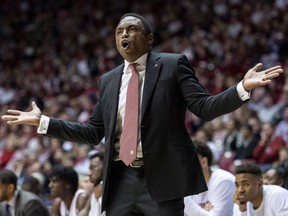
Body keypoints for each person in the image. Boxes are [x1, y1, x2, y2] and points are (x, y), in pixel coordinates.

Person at [1, 13, 283, 216]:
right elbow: (92, 132)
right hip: (120, 180)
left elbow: (204, 108)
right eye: (119, 31)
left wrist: (242, 87)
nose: (124, 34)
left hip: (161, 180)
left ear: (149, 39)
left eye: (132, 29)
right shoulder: (108, 80)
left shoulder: (173, 65)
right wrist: (44, 122)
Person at [184, 141, 235, 216]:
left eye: (188, 161)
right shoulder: (188, 183)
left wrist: (183, 197)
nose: (184, 166)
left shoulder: (224, 181)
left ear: (204, 162)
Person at [79, 151, 105, 216]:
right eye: (90, 169)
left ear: (106, 166)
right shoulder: (97, 186)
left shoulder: (104, 186)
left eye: (94, 168)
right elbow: (84, 211)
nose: (89, 174)